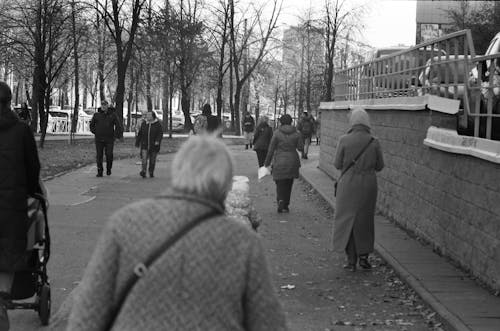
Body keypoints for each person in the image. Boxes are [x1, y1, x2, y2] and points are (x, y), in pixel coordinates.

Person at [67, 135, 287, 331]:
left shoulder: (125, 223)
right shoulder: (242, 241)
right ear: (224, 185)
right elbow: (268, 322)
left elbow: (88, 313)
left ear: (178, 172)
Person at [0, 82, 42, 331]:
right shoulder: (21, 130)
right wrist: (28, 192)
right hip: (12, 205)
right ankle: (3, 296)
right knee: (7, 253)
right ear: (9, 101)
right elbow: (32, 167)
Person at [332, 108, 384, 272]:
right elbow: (380, 166)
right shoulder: (374, 141)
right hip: (368, 184)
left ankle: (350, 259)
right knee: (364, 220)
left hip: (348, 184)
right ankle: (364, 257)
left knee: (347, 219)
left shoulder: (344, 140)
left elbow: (337, 164)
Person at [264, 114, 304, 213]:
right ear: (291, 122)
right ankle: (286, 205)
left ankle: (280, 199)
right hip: (292, 161)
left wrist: (267, 163)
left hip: (279, 161)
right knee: (289, 182)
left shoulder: (277, 133)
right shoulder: (297, 133)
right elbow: (300, 148)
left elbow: (271, 149)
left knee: (279, 182)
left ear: (281, 122)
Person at [89, 100, 123, 177]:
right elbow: (91, 125)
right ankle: (100, 171)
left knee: (109, 154)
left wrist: (116, 135)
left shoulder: (113, 115)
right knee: (99, 155)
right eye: (102, 105)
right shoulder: (96, 115)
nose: (103, 106)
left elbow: (118, 126)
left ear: (108, 106)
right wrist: (96, 132)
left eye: (105, 105)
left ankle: (108, 168)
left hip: (109, 139)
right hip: (99, 139)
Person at [135, 110, 163, 178]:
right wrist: (138, 142)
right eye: (147, 115)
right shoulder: (144, 124)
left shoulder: (157, 124)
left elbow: (160, 134)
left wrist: (157, 141)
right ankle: (143, 171)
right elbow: (140, 133)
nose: (148, 116)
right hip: (144, 144)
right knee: (144, 159)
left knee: (152, 160)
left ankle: (151, 171)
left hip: (154, 145)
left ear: (153, 116)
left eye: (149, 115)